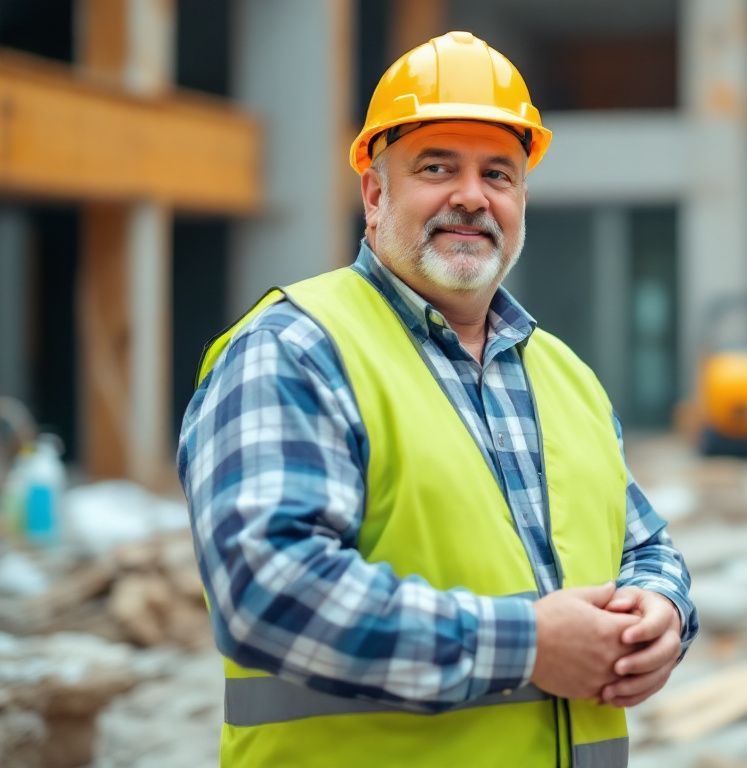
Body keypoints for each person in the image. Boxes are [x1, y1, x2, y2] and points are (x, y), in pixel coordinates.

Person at [178, 30, 698, 767]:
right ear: (374, 192)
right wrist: (530, 644)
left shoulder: (567, 376)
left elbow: (643, 544)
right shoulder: (294, 350)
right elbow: (268, 588)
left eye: (499, 173)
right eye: (437, 167)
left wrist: (666, 610)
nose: (471, 196)